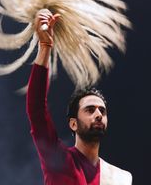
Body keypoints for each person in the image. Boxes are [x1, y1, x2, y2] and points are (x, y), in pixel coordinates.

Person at [26, 11, 132, 185]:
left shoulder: (121, 177)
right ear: (73, 123)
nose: (98, 114)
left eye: (102, 111)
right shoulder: (60, 161)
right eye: (90, 110)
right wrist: (45, 45)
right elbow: (36, 110)